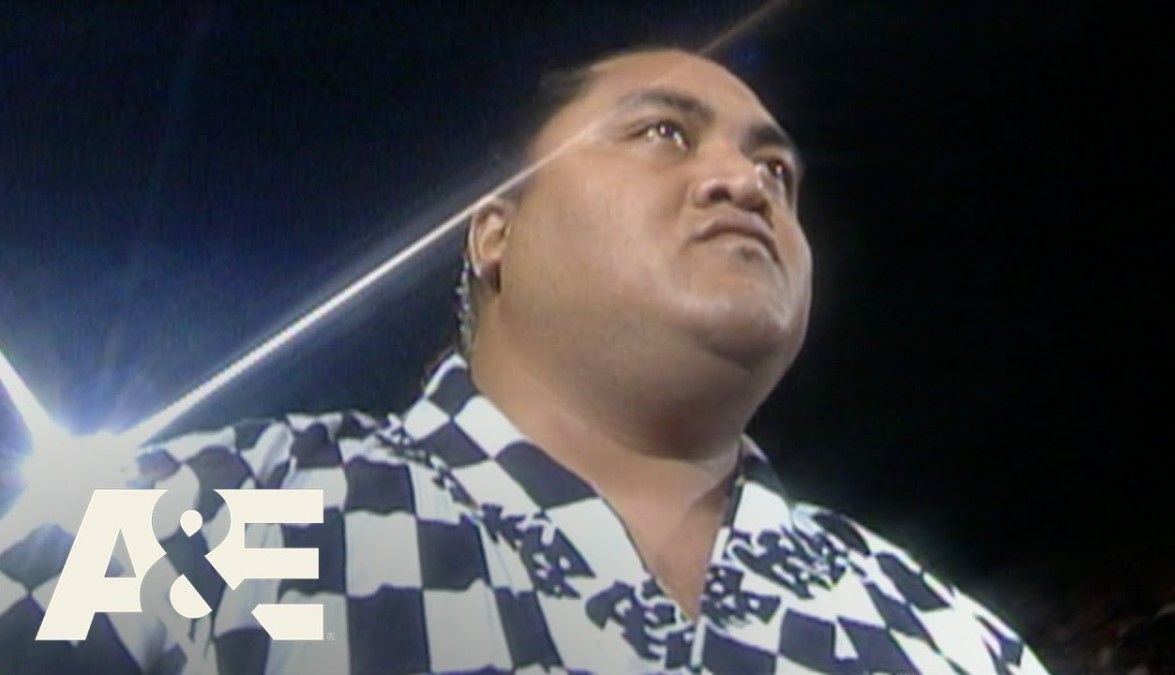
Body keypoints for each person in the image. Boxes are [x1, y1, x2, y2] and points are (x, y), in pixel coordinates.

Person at [0, 48, 1050, 674]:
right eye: (665, 134)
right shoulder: (223, 517)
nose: (746, 182)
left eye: (777, 169)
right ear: (495, 233)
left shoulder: (943, 633)